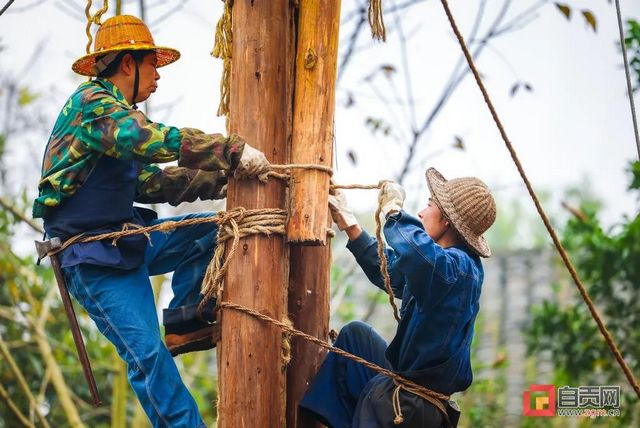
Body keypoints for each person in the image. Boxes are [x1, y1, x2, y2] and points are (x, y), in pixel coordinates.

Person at [32, 15, 270, 427]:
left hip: (128, 242)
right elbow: (150, 139)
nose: (158, 76)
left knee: (218, 230)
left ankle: (185, 317)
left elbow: (152, 184)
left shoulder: (117, 119)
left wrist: (223, 180)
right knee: (147, 359)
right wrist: (228, 150)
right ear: (128, 64)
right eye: (153, 65)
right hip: (93, 261)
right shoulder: (95, 106)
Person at [299, 167, 497, 427]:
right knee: (356, 338)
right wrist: (351, 225)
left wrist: (393, 211)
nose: (422, 212)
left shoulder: (457, 270)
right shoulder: (438, 270)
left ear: (447, 219)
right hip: (405, 389)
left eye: (429, 205)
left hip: (412, 406)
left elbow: (416, 254)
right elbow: (391, 272)